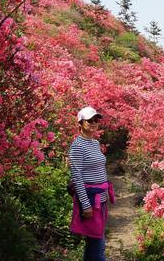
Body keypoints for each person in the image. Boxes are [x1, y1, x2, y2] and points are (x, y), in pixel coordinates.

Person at [68, 106, 113, 261]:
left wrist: (106, 192)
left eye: (96, 120)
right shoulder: (77, 146)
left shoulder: (94, 143)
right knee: (97, 243)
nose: (94, 123)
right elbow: (77, 177)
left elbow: (100, 168)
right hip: (89, 200)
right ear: (80, 123)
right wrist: (85, 204)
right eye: (89, 120)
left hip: (100, 200)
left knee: (95, 241)